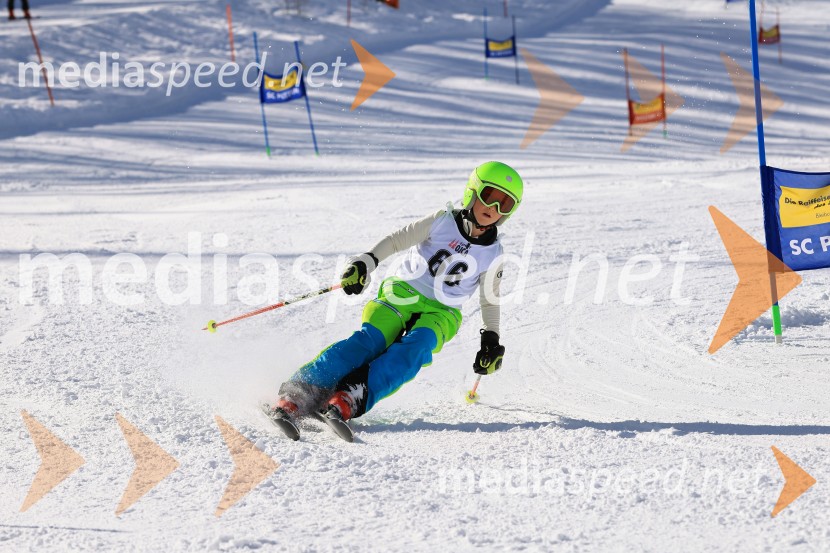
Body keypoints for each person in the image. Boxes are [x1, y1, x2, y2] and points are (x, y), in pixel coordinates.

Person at [266, 161, 523, 440]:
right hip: (403, 292)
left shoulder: (495, 253)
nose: (494, 209)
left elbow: (490, 298)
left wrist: (491, 339)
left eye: (505, 204)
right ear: (473, 191)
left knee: (416, 350)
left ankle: (350, 397)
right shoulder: (442, 221)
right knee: (372, 341)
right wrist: (366, 262)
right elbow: (397, 240)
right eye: (490, 197)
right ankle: (298, 393)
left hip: (443, 311)